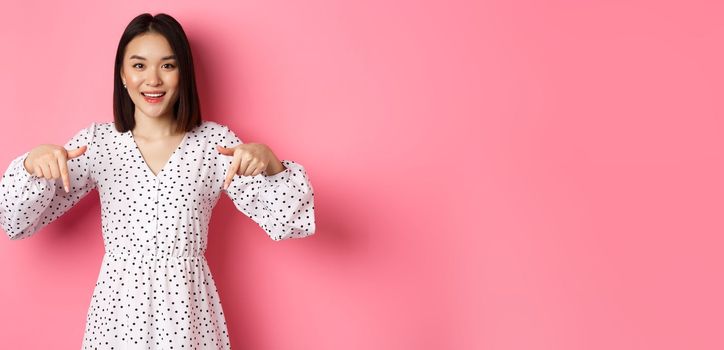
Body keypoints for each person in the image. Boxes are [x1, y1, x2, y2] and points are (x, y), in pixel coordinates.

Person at [0, 12, 316, 349]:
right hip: (118, 315)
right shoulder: (99, 145)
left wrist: (271, 164)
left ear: (184, 74)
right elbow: (15, 222)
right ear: (122, 75)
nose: (153, 79)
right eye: (139, 66)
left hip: (188, 313)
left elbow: (289, 223)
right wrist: (31, 167)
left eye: (168, 65)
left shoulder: (213, 145)